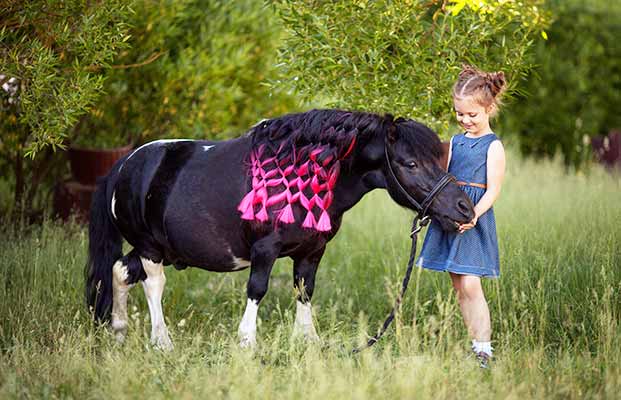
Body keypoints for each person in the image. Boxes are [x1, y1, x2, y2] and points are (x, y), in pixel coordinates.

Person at [416, 64, 507, 368]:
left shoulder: (493, 146)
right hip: (450, 216)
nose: (465, 120)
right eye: (460, 114)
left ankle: (485, 350)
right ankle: (475, 345)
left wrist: (474, 215)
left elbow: (493, 190)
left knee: (471, 284)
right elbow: (446, 179)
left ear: (489, 108)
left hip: (473, 219)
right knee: (458, 284)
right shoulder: (455, 142)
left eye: (472, 115)